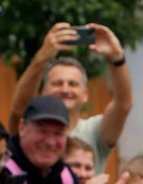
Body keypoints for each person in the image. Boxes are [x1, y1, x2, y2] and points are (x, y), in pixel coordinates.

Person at [7, 23, 133, 173]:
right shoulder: (32, 129)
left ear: (85, 94)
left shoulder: (95, 131)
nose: (65, 89)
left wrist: (117, 57)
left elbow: (123, 105)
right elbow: (19, 111)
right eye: (57, 83)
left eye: (72, 84)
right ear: (43, 91)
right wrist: (41, 58)